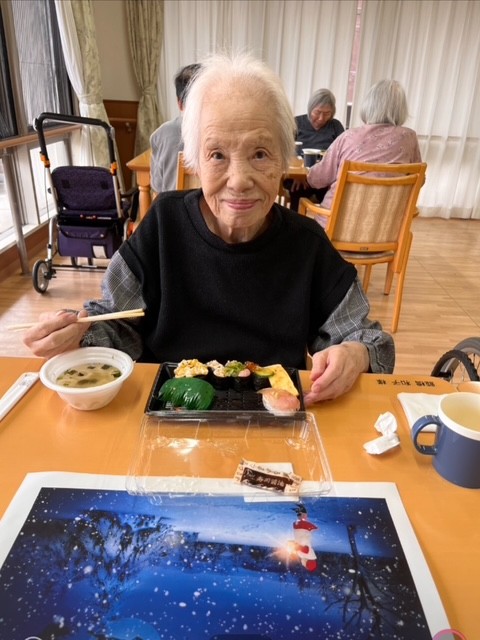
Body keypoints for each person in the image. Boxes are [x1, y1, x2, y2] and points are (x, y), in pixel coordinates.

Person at [24, 52, 394, 404]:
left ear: (284, 159)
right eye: (217, 155)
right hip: (165, 415)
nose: (239, 180)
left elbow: (367, 338)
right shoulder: (164, 225)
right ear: (195, 161)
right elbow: (116, 322)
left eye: (260, 154)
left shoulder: (306, 245)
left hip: (271, 417)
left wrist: (355, 353)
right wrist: (77, 331)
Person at [306, 79, 422, 226]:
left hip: (336, 224)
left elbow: (317, 179)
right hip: (386, 226)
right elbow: (419, 180)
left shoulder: (348, 137)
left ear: (369, 105)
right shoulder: (409, 138)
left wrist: (308, 172)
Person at [286, 88, 344, 211]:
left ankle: (323, 221)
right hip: (297, 177)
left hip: (325, 178)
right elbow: (286, 150)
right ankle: (295, 221)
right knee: (297, 189)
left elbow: (342, 154)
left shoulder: (335, 126)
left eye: (327, 114)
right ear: (310, 109)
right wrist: (299, 174)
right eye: (317, 112)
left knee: (334, 194)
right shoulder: (296, 123)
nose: (321, 118)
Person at [149, 63, 201, 195]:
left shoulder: (160, 135)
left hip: (171, 205)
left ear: (179, 103)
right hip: (213, 207)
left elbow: (157, 188)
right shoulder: (225, 132)